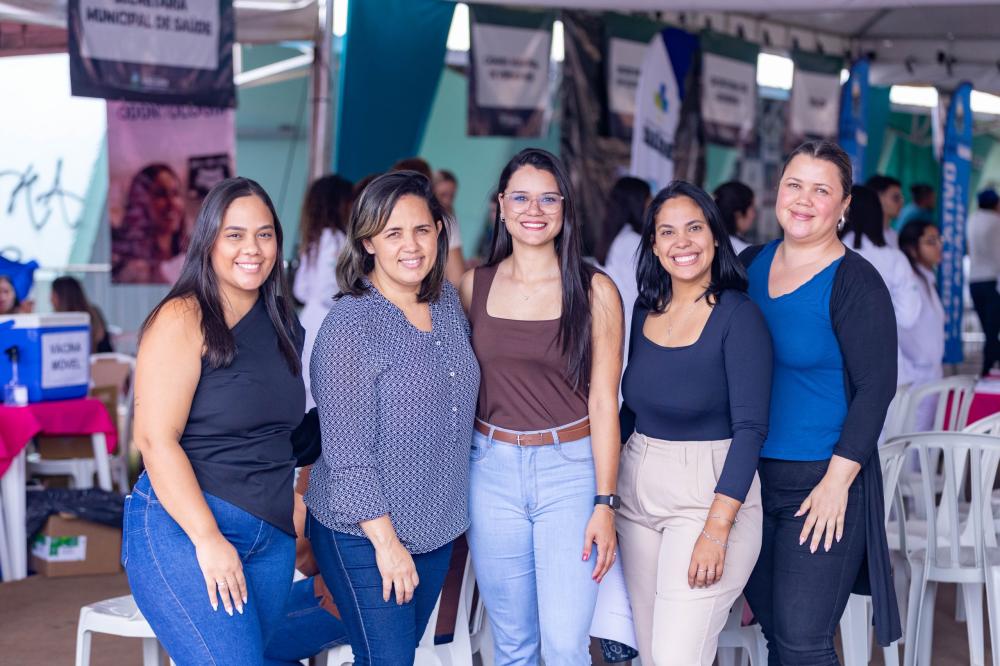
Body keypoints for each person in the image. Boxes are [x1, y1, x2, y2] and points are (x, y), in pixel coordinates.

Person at [124, 177, 307, 664]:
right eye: (235, 235)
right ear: (208, 241)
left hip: (270, 537)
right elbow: (154, 439)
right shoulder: (181, 317)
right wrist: (208, 538)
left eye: (265, 234)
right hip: (185, 529)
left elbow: (282, 433)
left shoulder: (284, 323)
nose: (253, 249)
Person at [304, 171, 480, 666]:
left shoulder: (447, 303)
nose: (411, 245)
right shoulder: (350, 326)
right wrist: (387, 543)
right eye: (393, 233)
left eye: (422, 229)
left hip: (436, 525)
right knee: (390, 660)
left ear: (439, 231)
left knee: (389, 655)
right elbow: (347, 456)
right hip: (361, 530)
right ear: (368, 242)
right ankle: (261, 635)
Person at [458, 148, 623, 665]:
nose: (534, 210)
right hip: (490, 470)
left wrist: (605, 502)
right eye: (521, 198)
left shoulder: (595, 291)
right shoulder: (472, 285)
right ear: (501, 205)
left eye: (548, 198)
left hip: (569, 474)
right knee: (513, 646)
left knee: (565, 644)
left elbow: (605, 402)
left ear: (565, 207)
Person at [741, 141, 902, 663]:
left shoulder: (856, 282)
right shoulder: (747, 266)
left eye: (821, 190)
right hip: (748, 481)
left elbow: (876, 389)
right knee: (776, 635)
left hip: (821, 483)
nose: (803, 200)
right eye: (794, 185)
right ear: (777, 190)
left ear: (845, 204)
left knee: (803, 640)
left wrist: (836, 484)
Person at [616, 181, 771, 665]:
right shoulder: (645, 308)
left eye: (694, 228)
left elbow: (751, 430)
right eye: (667, 232)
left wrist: (716, 529)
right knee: (651, 653)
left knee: (676, 657)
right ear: (653, 245)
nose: (681, 242)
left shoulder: (739, 317)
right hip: (636, 488)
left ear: (716, 236)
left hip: (707, 495)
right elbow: (631, 409)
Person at [263, 465, 348, 666]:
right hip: (415, 605)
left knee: (243, 639)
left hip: (351, 600)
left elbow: (298, 548)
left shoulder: (324, 456)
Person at [840, 185, 922, 386]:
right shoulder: (894, 258)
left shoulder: (827, 256)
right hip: (885, 367)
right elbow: (908, 317)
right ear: (878, 213)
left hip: (836, 370)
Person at [293, 174, 355, 410]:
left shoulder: (314, 239)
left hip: (308, 321)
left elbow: (301, 289)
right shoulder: (336, 240)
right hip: (328, 325)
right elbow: (326, 292)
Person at [595, 176, 652, 362]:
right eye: (649, 200)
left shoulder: (614, 239)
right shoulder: (633, 242)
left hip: (611, 326)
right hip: (630, 329)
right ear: (638, 203)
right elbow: (646, 292)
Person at [897, 220, 945, 431]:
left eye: (939, 240)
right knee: (913, 434)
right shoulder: (909, 282)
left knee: (926, 431)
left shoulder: (927, 278)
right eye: (931, 241)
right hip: (915, 373)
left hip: (930, 371)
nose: (939, 246)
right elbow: (903, 326)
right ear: (912, 248)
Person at [112, 163, 187, 284]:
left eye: (175, 193)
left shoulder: (193, 255)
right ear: (140, 202)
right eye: (160, 194)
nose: (171, 203)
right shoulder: (126, 266)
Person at [968, 188, 1000, 376]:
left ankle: (987, 370)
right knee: (992, 331)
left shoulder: (971, 220)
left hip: (974, 281)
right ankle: (986, 371)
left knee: (988, 331)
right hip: (992, 281)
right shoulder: (996, 221)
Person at [50, 276, 114, 353]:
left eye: (53, 294)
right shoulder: (93, 313)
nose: (50, 299)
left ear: (61, 297)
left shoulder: (59, 321)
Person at [433, 169, 467, 286]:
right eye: (443, 195)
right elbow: (456, 279)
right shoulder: (447, 221)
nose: (447, 201)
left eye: (451, 196)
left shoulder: (449, 219)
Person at [713, 181, 757, 254]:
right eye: (752, 208)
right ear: (738, 214)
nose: (754, 215)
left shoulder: (708, 244)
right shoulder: (747, 253)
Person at [864, 174, 903, 247]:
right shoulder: (861, 237)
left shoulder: (894, 236)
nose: (901, 203)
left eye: (901, 198)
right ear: (878, 198)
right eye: (896, 198)